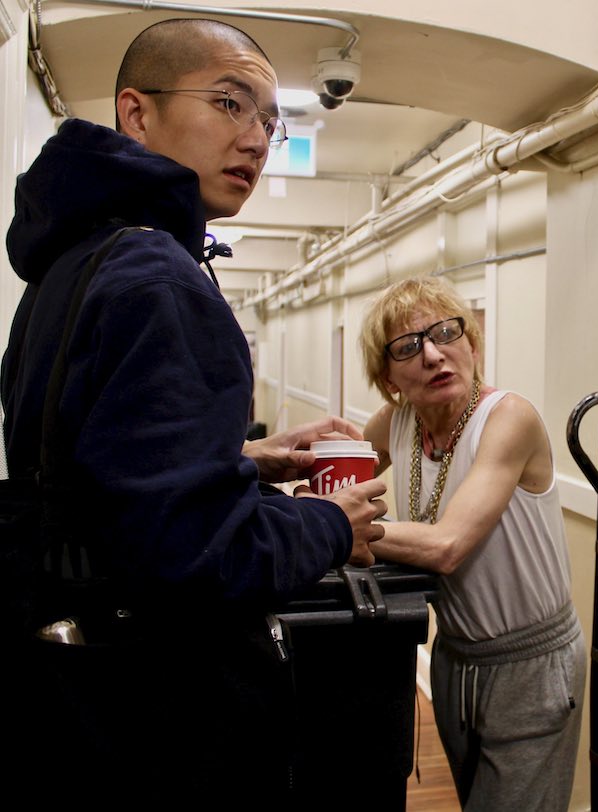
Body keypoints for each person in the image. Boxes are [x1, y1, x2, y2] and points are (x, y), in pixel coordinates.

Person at [0, 19, 388, 795]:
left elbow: (95, 477)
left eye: (270, 122)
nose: (255, 138)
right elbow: (195, 555)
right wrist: (331, 525)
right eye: (229, 102)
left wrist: (246, 459)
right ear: (137, 113)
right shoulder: (160, 280)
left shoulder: (70, 269)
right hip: (164, 713)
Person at [359, 275, 585, 811]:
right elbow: (335, 481)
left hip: (532, 662)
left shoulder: (508, 418)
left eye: (445, 333)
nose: (434, 355)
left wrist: (344, 528)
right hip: (456, 657)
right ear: (388, 378)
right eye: (408, 347)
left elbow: (446, 546)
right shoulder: (397, 422)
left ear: (472, 344)